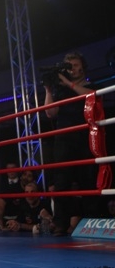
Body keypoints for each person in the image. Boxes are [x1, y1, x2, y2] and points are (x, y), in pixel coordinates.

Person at [43, 51, 97, 234]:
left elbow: (91, 96)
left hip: (84, 136)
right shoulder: (62, 90)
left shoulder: (89, 85)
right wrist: (48, 90)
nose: (72, 69)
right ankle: (60, 223)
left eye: (75, 65)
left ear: (83, 67)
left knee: (88, 179)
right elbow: (50, 113)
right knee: (62, 181)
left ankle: (92, 220)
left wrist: (68, 83)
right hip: (64, 139)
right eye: (69, 66)